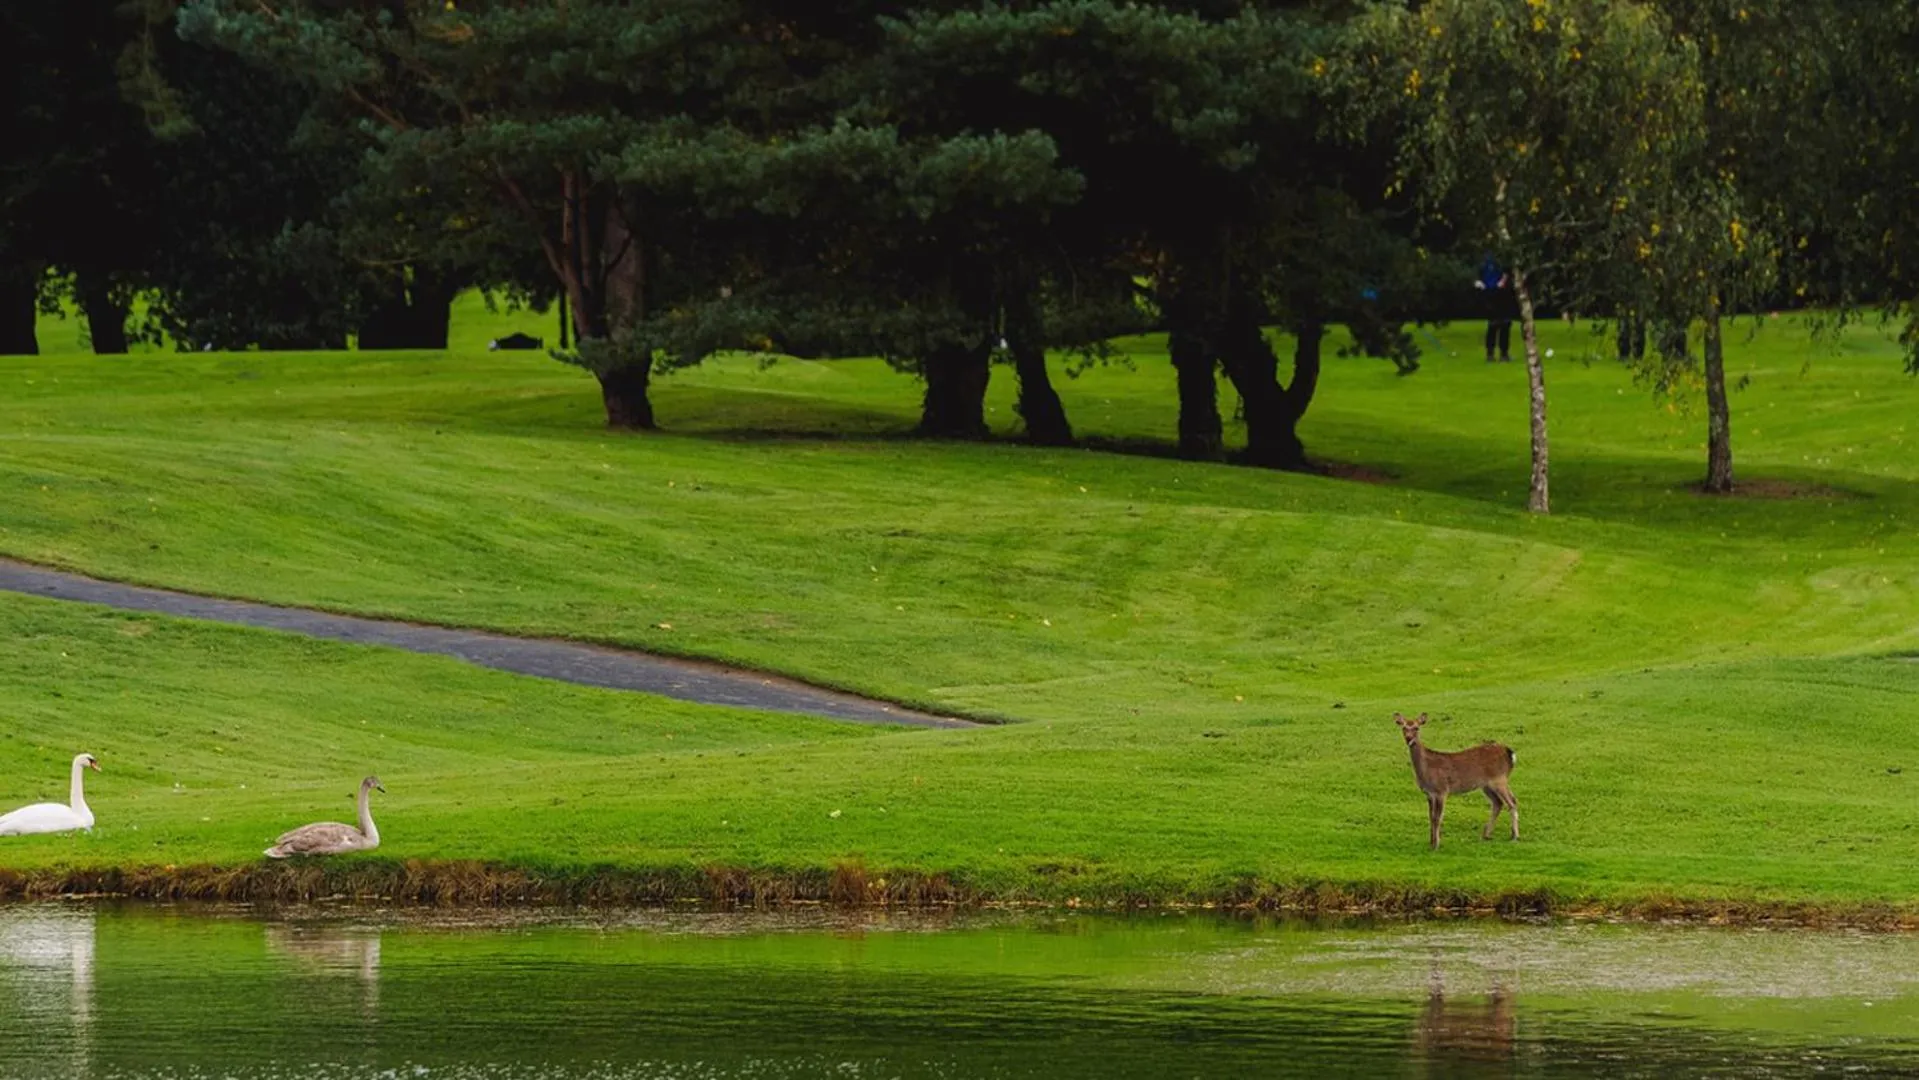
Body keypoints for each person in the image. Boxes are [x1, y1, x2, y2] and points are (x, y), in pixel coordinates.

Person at [1474, 255, 1514, 363]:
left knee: (1501, 324)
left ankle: (1499, 353)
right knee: (1496, 324)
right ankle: (1495, 354)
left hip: (1496, 294)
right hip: (1495, 295)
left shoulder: (1492, 260)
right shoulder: (1492, 261)